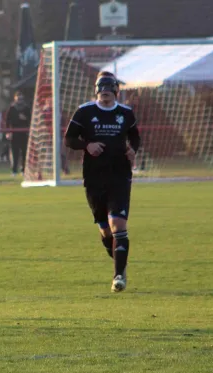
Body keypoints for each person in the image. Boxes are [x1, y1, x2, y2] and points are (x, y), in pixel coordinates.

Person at [64, 71, 141, 292]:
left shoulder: (125, 113)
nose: (105, 97)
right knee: (105, 230)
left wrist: (132, 149)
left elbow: (134, 135)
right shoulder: (85, 111)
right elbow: (69, 138)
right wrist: (87, 145)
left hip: (120, 175)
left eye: (109, 93)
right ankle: (118, 258)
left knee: (119, 225)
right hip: (94, 177)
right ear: (97, 92)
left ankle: (119, 276)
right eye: (102, 93)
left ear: (116, 92)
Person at [5, 91, 31, 176]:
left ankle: (23, 170)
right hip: (14, 133)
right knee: (15, 153)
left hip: (24, 133)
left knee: (24, 153)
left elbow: (30, 120)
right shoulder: (12, 108)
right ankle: (14, 170)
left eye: (21, 99)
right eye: (18, 99)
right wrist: (8, 132)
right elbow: (7, 121)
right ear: (15, 99)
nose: (20, 100)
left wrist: (25, 119)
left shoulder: (26, 108)